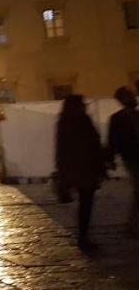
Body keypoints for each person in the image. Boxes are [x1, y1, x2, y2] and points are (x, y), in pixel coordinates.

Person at [56, 94, 108, 250]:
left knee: (84, 204)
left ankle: (83, 235)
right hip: (86, 167)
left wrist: (62, 171)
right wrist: (101, 164)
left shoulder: (63, 122)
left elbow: (61, 149)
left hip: (74, 168)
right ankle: (83, 236)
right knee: (86, 203)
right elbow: (93, 144)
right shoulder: (83, 120)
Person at [107, 87, 139, 238]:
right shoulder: (117, 118)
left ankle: (132, 225)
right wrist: (111, 158)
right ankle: (131, 225)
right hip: (132, 157)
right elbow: (112, 140)